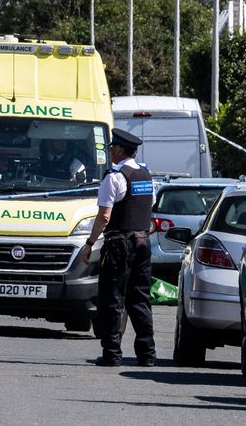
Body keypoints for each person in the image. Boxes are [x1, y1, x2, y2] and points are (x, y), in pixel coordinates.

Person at [80, 128, 156, 367]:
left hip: (119, 244)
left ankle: (112, 353)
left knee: (112, 298)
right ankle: (147, 354)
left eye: (112, 147)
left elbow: (104, 217)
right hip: (143, 242)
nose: (110, 150)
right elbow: (147, 208)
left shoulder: (114, 177)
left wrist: (90, 243)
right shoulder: (145, 175)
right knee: (140, 299)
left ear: (121, 150)